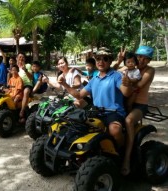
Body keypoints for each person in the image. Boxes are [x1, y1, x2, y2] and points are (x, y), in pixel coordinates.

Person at [58, 47, 132, 149]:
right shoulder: (94, 79)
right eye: (98, 58)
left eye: (105, 59)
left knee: (115, 130)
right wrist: (65, 84)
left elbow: (126, 93)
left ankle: (120, 152)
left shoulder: (116, 76)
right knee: (77, 127)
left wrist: (127, 84)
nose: (101, 61)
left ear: (110, 61)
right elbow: (79, 95)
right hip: (96, 112)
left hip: (114, 112)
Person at [121, 45, 155, 176]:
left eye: (146, 59)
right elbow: (111, 72)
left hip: (139, 105)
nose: (141, 60)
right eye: (140, 57)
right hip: (125, 102)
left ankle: (127, 159)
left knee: (129, 121)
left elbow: (139, 85)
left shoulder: (149, 70)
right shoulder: (129, 66)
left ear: (149, 61)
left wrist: (128, 80)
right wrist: (119, 61)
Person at [16, 52, 33, 123]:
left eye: (22, 57)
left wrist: (25, 70)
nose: (21, 58)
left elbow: (31, 77)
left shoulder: (28, 65)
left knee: (26, 92)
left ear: (25, 59)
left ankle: (22, 111)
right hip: (18, 85)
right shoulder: (15, 67)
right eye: (19, 57)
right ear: (16, 58)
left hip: (27, 84)